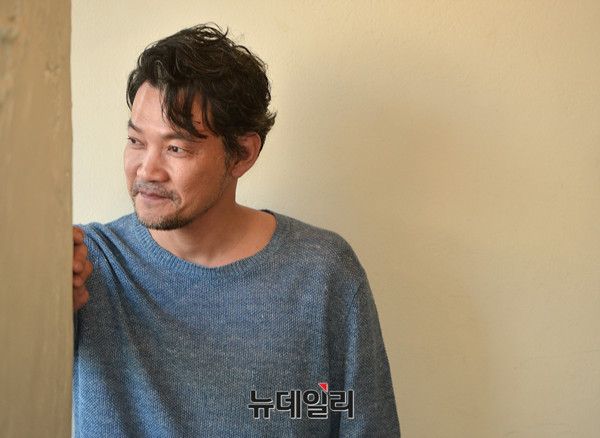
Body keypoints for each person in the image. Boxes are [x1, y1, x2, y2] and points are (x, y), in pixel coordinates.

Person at [72, 24, 400, 437]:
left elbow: (361, 421)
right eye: (136, 142)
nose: (147, 170)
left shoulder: (322, 273)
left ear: (242, 154)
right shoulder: (87, 266)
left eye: (176, 148)